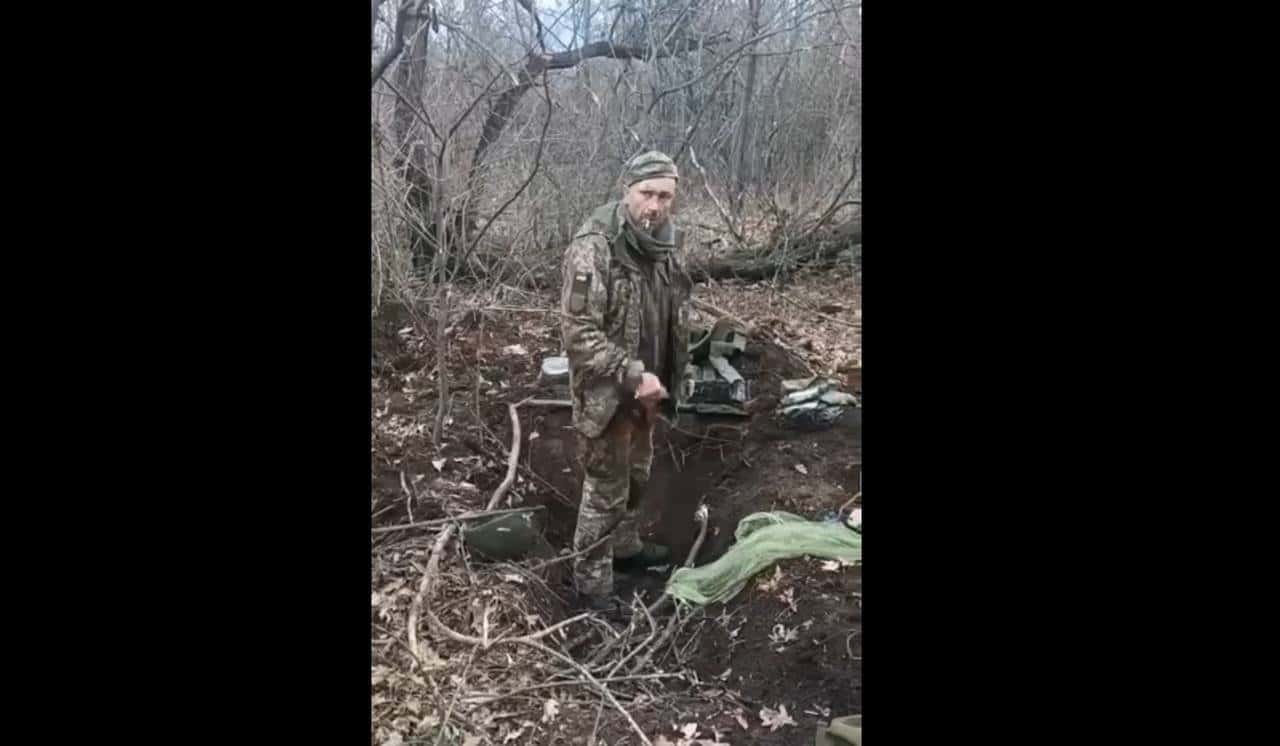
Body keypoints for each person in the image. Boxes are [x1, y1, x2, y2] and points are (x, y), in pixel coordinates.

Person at [559, 150, 693, 609]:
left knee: (637, 475)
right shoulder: (594, 246)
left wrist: (671, 375)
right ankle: (591, 585)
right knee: (605, 489)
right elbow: (578, 333)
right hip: (607, 395)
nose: (654, 206)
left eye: (665, 196)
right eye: (646, 194)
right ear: (626, 191)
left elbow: (671, 314)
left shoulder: (663, 245)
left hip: (646, 394)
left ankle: (625, 548)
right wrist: (633, 374)